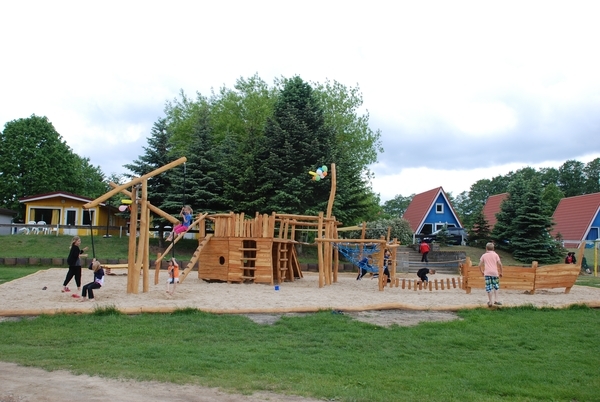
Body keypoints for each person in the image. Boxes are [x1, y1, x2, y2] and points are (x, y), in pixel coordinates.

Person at [479, 242, 503, 307]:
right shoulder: (496, 255)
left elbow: (479, 265)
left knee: (488, 287)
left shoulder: (484, 255)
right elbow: (500, 264)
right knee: (496, 286)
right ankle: (496, 300)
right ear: (493, 248)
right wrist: (501, 272)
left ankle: (490, 301)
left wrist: (481, 271)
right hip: (495, 273)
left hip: (487, 273)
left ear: (486, 248)